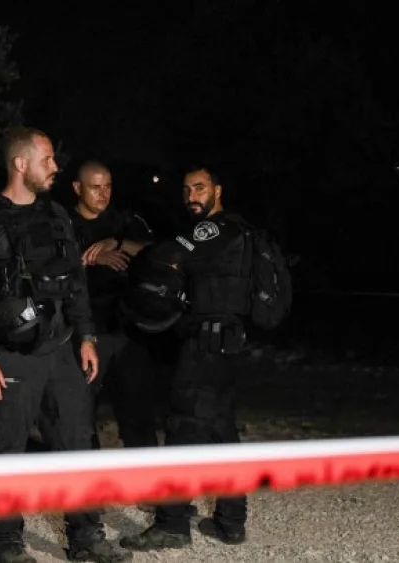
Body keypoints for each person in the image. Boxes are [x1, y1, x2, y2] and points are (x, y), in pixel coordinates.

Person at [0, 126, 132, 563]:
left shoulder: (57, 216)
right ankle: (9, 544)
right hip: (11, 356)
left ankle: (86, 538)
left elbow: (76, 283)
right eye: (48, 160)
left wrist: (86, 335)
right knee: (7, 448)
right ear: (20, 164)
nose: (55, 167)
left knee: (76, 444)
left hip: (63, 350)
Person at [120, 164, 253, 551]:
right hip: (227, 345)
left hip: (206, 347)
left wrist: (130, 247)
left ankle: (172, 523)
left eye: (200, 188)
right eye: (186, 190)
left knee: (181, 427)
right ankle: (231, 521)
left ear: (218, 190)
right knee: (221, 430)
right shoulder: (240, 229)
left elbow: (168, 252)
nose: (191, 196)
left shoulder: (213, 228)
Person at [65, 160, 158, 450]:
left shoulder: (124, 221)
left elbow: (159, 251)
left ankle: (148, 486)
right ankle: (90, 486)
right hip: (87, 333)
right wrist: (91, 259)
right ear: (78, 188)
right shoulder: (63, 224)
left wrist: (117, 243)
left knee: (138, 412)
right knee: (80, 413)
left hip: (129, 330)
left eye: (108, 186)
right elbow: (52, 269)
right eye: (95, 187)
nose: (103, 194)